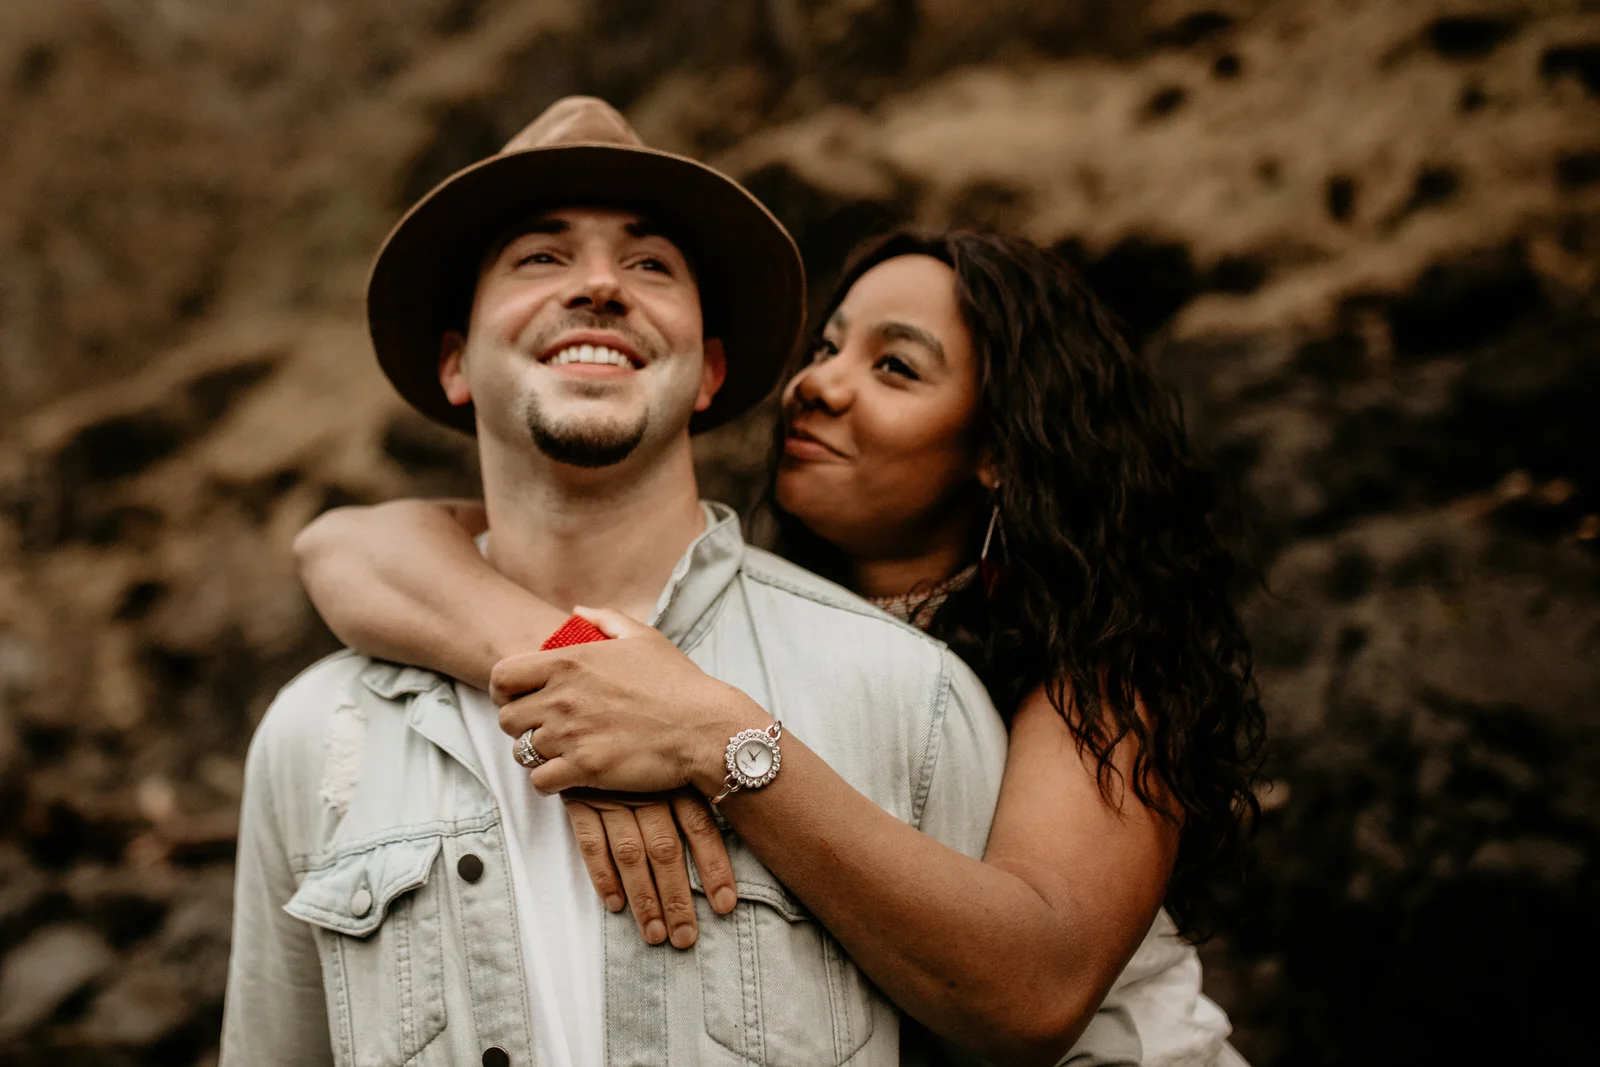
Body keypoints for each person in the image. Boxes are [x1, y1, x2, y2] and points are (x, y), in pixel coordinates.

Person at [295, 223, 1267, 1066]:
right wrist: (571, 658)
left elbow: (1034, 991)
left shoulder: (1094, 674)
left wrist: (717, 736)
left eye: (895, 367)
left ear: (1000, 448)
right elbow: (351, 545)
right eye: (829, 347)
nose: (817, 385)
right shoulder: (762, 616)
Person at [221, 96, 1022, 1067]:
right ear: (454, 363)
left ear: (711, 370)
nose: (600, 284)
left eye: (649, 264)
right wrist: (576, 666)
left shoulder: (910, 701)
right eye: (540, 257)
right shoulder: (314, 737)